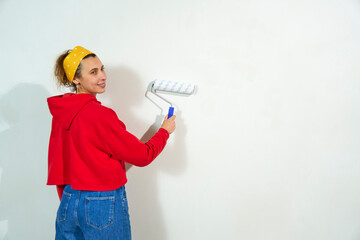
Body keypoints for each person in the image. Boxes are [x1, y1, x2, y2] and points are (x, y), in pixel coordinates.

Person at [47, 46, 176, 240]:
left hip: (69, 200)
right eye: (93, 72)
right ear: (76, 79)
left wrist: (70, 201)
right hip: (101, 202)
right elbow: (142, 155)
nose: (103, 76)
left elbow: (59, 164)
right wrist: (164, 131)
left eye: (102, 68)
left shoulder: (61, 114)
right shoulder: (100, 115)